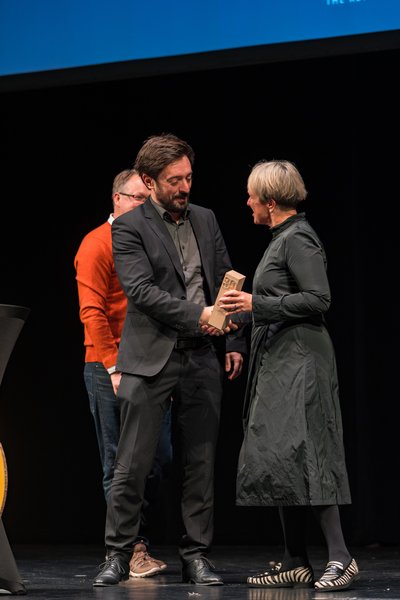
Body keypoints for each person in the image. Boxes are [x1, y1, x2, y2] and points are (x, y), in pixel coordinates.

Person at [93, 133, 246, 587]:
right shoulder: (129, 226)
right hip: (149, 356)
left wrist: (233, 336)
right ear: (148, 181)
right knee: (133, 462)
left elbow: (225, 278)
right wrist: (199, 314)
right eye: (174, 180)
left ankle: (196, 556)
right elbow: (141, 292)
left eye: (189, 178)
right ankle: (118, 554)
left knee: (200, 462)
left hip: (200, 357)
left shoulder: (205, 218)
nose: (184, 187)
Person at [218, 159, 359, 592]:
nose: (247, 202)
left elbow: (319, 299)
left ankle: (342, 557)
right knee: (280, 456)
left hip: (302, 361)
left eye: (252, 196)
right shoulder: (280, 239)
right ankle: (295, 560)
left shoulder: (299, 238)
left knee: (309, 451)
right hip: (280, 359)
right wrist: (236, 318)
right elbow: (276, 301)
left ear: (271, 201)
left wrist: (255, 305)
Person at [74, 168, 172, 578]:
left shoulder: (149, 240)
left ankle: (137, 542)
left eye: (147, 200)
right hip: (108, 365)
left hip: (149, 364)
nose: (143, 206)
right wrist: (113, 367)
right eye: (136, 198)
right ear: (117, 198)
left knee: (157, 458)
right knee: (117, 462)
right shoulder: (97, 243)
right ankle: (131, 549)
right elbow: (92, 312)